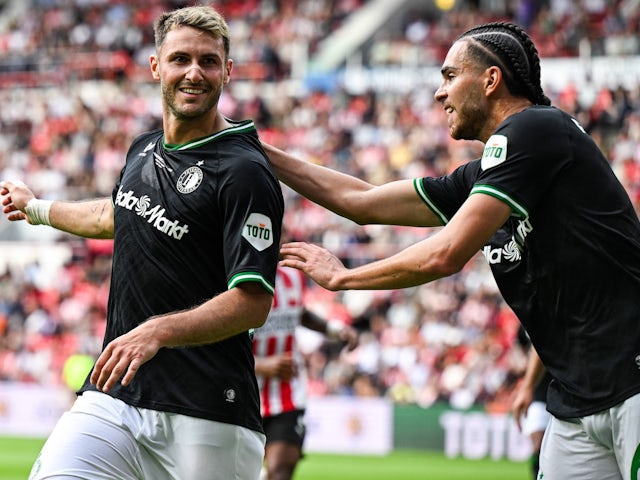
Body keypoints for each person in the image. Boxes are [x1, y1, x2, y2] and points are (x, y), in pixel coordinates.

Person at [262, 21, 640, 480]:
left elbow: (447, 254)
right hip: (576, 401)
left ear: (490, 79)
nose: (439, 93)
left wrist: (346, 277)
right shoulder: (489, 172)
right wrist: (254, 148)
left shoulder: (535, 129)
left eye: (449, 75)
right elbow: (359, 202)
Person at [1, 6, 284, 479]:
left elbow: (251, 303)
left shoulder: (244, 171)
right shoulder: (142, 148)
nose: (194, 73)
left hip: (208, 409)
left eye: (209, 62)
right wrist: (36, 208)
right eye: (180, 59)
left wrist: (157, 332)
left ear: (228, 71)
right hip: (114, 394)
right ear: (156, 66)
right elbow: (115, 214)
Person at [253, 265, 358, 480]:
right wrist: (261, 365)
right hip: (243, 394)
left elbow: (300, 313)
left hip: (288, 393)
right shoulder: (232, 277)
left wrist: (335, 330)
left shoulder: (293, 277)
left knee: (281, 469)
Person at [511, 327, 552, 480]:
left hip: (564, 394)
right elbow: (516, 346)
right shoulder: (523, 328)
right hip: (538, 395)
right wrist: (520, 360)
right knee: (537, 445)